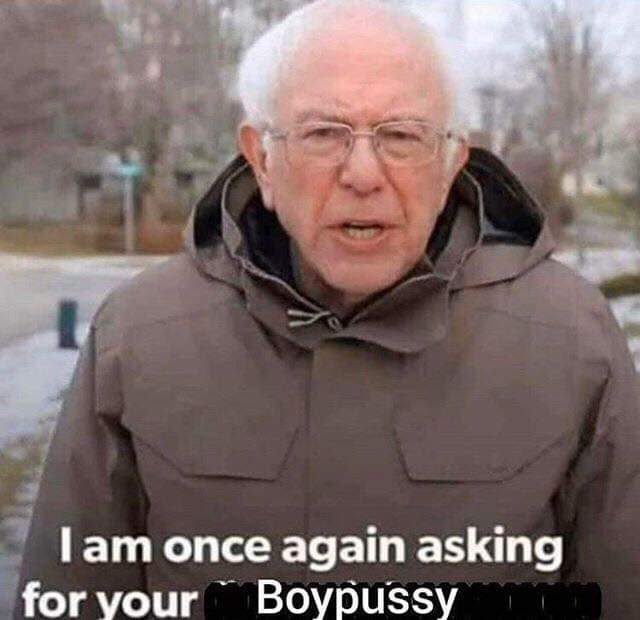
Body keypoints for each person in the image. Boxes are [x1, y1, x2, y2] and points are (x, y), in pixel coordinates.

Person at [14, 1, 640, 618]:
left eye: (401, 135)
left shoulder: (569, 337)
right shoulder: (139, 336)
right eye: (323, 134)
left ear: (453, 161)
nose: (362, 174)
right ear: (262, 159)